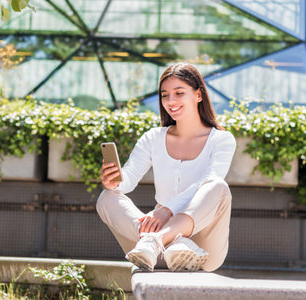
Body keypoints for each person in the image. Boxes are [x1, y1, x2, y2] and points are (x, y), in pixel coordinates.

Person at [96, 62, 236, 272]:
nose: (171, 101)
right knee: (107, 197)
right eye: (165, 95)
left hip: (204, 251)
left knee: (217, 185)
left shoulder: (221, 140)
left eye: (179, 93)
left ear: (198, 95)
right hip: (158, 255)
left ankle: (158, 240)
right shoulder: (153, 138)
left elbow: (208, 182)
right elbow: (129, 178)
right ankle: (161, 243)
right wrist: (114, 180)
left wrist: (167, 210)